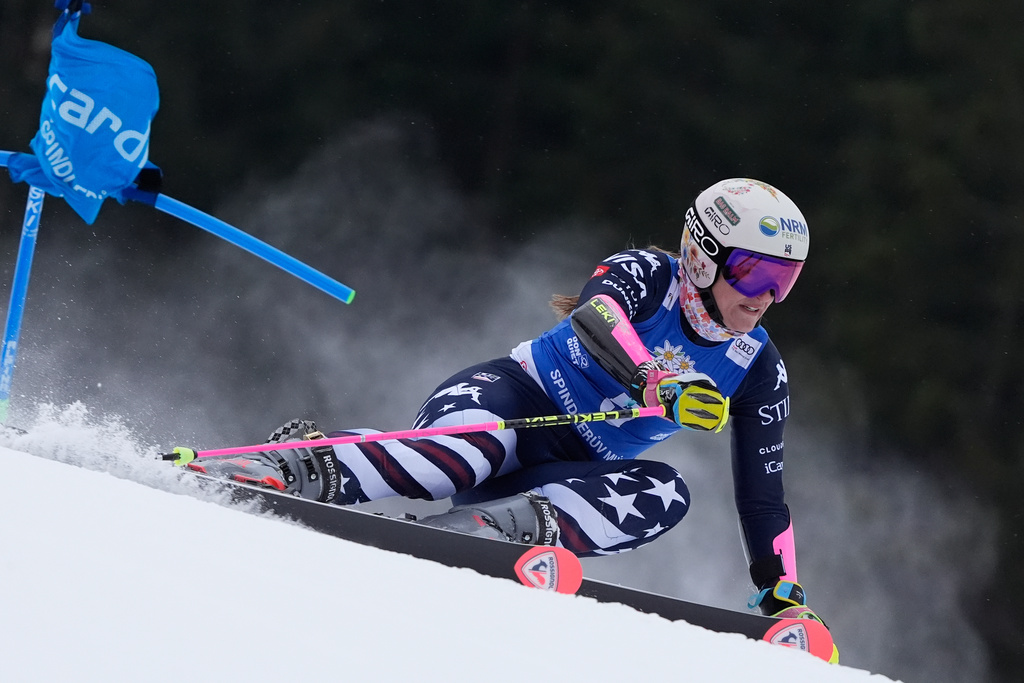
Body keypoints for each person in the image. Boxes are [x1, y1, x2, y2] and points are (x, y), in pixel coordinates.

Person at [194, 177, 832, 647]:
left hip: (565, 473)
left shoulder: (758, 368)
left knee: (667, 491)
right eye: (754, 276)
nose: (767, 298)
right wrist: (656, 384)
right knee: (462, 455)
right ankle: (304, 462)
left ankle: (494, 533)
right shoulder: (645, 273)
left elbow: (763, 496)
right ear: (702, 256)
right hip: (511, 404)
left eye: (785, 281)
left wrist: (780, 591)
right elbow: (594, 320)